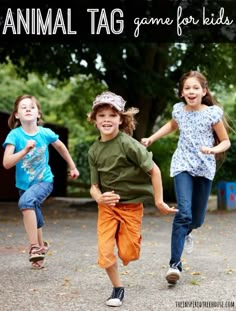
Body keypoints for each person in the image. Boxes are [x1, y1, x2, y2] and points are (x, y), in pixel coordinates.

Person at [87, 91, 177, 307]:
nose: (107, 119)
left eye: (112, 115)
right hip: (108, 208)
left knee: (128, 253)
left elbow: (154, 171)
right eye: (102, 115)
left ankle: (129, 241)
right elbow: (93, 186)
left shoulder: (128, 144)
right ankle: (117, 289)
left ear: (121, 119)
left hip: (131, 207)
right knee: (105, 251)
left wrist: (159, 202)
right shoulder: (94, 150)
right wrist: (99, 198)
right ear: (95, 119)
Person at [141, 71, 231, 285]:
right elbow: (172, 125)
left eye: (195, 88)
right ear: (182, 93)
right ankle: (175, 265)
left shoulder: (212, 113)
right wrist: (151, 138)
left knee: (197, 220)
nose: (191, 91)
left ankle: (188, 233)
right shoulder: (178, 110)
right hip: (182, 165)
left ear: (204, 91)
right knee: (183, 213)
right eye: (187, 88)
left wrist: (212, 149)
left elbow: (225, 141)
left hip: (204, 167)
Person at [2, 94, 79, 269]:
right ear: (16, 115)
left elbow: (60, 146)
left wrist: (72, 166)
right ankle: (40, 252)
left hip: (44, 180)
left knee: (26, 202)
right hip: (24, 184)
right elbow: (7, 163)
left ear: (38, 114)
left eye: (32, 107)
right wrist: (25, 150)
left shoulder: (45, 133)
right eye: (23, 107)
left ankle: (35, 248)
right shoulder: (14, 135)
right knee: (32, 210)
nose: (28, 109)